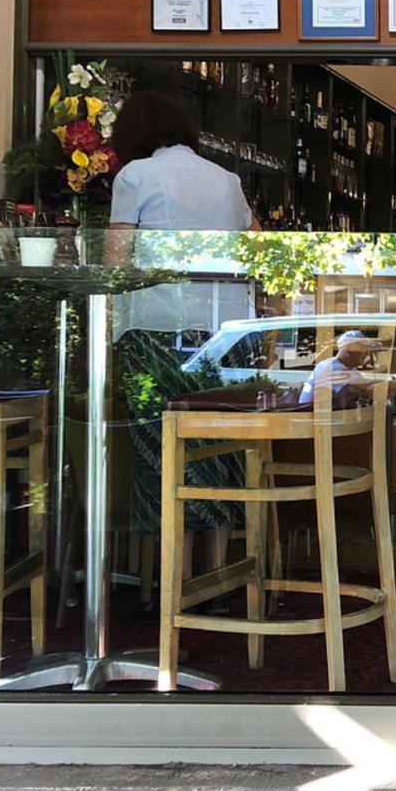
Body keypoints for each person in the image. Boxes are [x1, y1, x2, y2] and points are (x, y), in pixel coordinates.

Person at [106, 91, 259, 610]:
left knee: (162, 455)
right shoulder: (227, 180)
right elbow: (259, 247)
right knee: (219, 450)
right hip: (227, 332)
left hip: (159, 331)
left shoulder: (135, 176)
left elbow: (115, 261)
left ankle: (173, 584)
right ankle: (216, 578)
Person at [108, 91, 261, 236]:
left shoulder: (134, 174)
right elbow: (259, 243)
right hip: (223, 264)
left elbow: (117, 255)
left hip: (159, 264)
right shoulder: (229, 179)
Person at [299, 331, 384, 405]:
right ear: (348, 348)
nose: (367, 354)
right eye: (363, 348)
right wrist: (394, 383)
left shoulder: (348, 367)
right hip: (319, 420)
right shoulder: (331, 368)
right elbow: (368, 388)